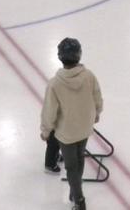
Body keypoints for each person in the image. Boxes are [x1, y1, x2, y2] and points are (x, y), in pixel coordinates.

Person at [40, 37, 103, 210]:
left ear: (60, 57)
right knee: (79, 158)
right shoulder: (89, 76)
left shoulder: (55, 84)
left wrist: (46, 131)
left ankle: (79, 200)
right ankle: (75, 191)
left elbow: (49, 112)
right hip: (84, 127)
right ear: (79, 55)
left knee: (71, 166)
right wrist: (96, 113)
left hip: (66, 133)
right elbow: (97, 97)